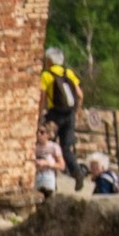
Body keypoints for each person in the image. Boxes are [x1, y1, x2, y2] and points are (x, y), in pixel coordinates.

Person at [42, 55, 86, 186]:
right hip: (69, 114)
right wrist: (77, 112)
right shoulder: (69, 73)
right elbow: (80, 95)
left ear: (49, 61)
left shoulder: (46, 75)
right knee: (66, 148)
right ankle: (77, 172)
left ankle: (50, 182)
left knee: (48, 146)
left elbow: (42, 98)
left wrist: (40, 115)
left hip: (54, 114)